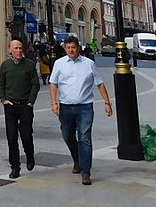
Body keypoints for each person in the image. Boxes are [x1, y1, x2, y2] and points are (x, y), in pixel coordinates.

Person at [48, 35, 113, 186]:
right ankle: (77, 159)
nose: (71, 50)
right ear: (65, 48)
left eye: (73, 47)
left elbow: (99, 83)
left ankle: (85, 171)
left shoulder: (89, 64)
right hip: (65, 107)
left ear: (78, 48)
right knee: (67, 135)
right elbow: (53, 83)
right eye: (68, 48)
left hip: (85, 107)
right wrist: (53, 102)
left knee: (84, 138)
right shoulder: (59, 64)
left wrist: (107, 102)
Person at [0, 39, 40, 179]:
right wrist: (3, 99)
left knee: (26, 134)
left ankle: (30, 155)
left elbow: (35, 84)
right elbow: (1, 83)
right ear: (10, 50)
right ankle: (15, 166)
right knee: (11, 137)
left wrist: (30, 102)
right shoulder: (5, 65)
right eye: (15, 48)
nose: (18, 50)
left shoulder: (29, 65)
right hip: (10, 106)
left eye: (20, 48)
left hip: (25, 106)